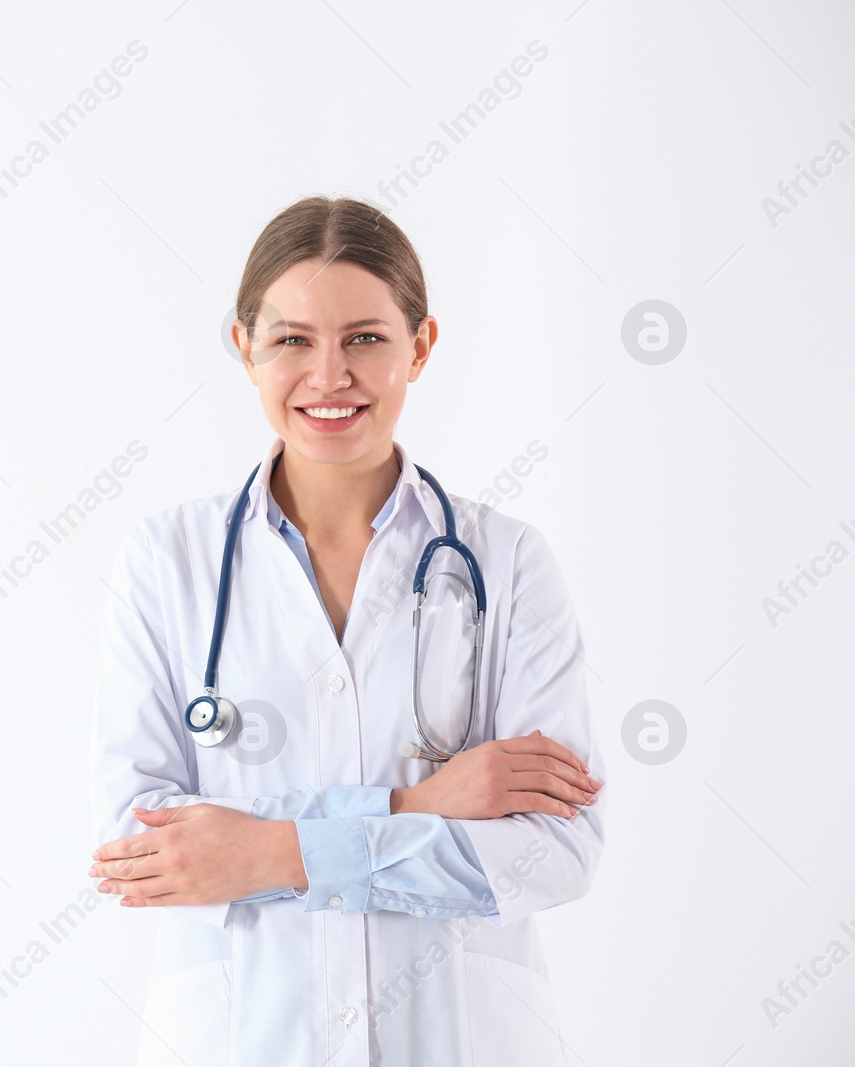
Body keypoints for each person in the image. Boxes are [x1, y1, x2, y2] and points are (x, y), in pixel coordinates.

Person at [87, 195, 606, 1067]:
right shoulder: (167, 559)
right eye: (292, 339)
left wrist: (267, 849)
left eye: (364, 337)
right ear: (244, 344)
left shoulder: (508, 563)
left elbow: (554, 852)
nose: (329, 375)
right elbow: (140, 849)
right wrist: (416, 806)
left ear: (421, 346)